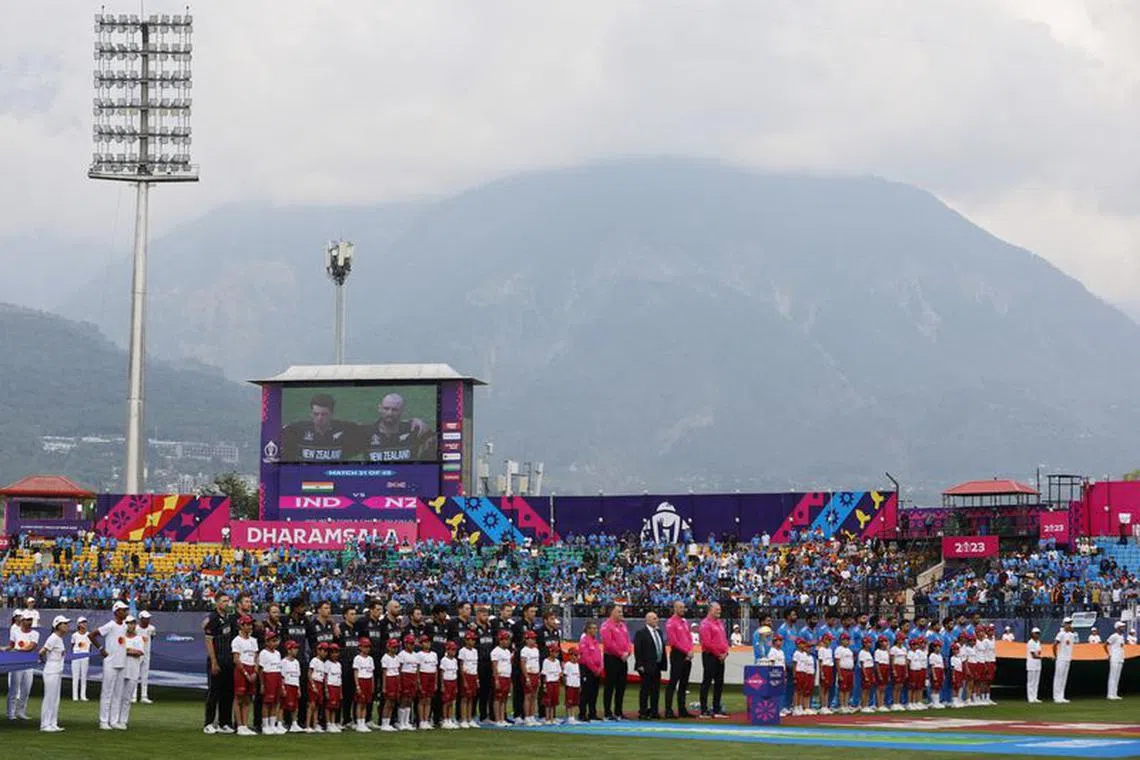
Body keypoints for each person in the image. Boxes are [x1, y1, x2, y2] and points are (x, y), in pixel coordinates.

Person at [358, 392, 435, 462]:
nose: (389, 413)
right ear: (380, 408)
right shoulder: (366, 433)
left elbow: (438, 441)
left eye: (395, 410)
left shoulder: (414, 430)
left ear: (402, 411)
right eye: (386, 408)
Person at [280, 393, 355, 462]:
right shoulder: (296, 430)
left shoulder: (345, 430)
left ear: (331, 414)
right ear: (311, 414)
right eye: (316, 414)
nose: (320, 418)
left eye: (324, 414)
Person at [92, 601, 130, 731]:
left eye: (126, 610)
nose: (125, 612)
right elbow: (92, 635)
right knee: (107, 692)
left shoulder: (124, 626)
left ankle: (114, 721)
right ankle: (103, 721)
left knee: (117, 694)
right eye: (123, 610)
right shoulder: (110, 625)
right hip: (110, 662)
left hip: (121, 662)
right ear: (116, 612)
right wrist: (101, 649)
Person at [202, 592, 235, 734]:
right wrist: (214, 662)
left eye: (228, 601)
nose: (226, 603)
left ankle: (224, 723)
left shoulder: (228, 617)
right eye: (223, 601)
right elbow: (208, 641)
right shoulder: (212, 619)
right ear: (217, 603)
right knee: (214, 693)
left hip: (228, 660)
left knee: (227, 693)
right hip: (217, 659)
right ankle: (208, 723)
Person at [5, 611, 39, 721]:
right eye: (27, 620)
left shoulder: (35, 634)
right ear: (22, 621)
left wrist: (18, 650)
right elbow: (11, 646)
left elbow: (31, 646)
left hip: (28, 664)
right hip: (17, 663)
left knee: (26, 689)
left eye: (31, 620)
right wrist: (5, 649)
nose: (29, 622)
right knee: (14, 689)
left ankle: (21, 712)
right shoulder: (15, 632)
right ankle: (10, 713)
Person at [38, 615, 70, 732]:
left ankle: (53, 723)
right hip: (51, 670)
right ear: (57, 626)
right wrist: (43, 660)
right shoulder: (53, 638)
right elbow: (42, 651)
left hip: (57, 670)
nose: (67, 626)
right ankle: (45, 724)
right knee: (49, 697)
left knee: (55, 698)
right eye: (64, 624)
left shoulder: (59, 639)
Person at [600, 604, 631, 720]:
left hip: (623, 658)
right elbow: (608, 643)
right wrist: (620, 653)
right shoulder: (606, 626)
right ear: (612, 613)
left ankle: (619, 711)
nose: (621, 613)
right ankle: (608, 712)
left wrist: (628, 652)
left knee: (621, 686)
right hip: (612, 658)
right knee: (610, 685)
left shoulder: (623, 625)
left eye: (621, 611)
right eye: (618, 611)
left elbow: (628, 640)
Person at [634, 611, 667, 720]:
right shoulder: (641, 633)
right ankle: (643, 711)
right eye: (654, 618)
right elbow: (637, 650)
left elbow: (661, 648)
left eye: (656, 618)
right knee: (645, 689)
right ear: (647, 620)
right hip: (646, 665)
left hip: (657, 665)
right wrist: (639, 664)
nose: (656, 620)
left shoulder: (659, 632)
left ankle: (654, 711)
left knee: (655, 690)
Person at [698, 602, 729, 718]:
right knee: (707, 682)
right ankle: (704, 709)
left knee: (719, 683)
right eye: (717, 610)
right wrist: (719, 654)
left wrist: (726, 652)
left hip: (721, 656)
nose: (719, 612)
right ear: (710, 610)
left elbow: (724, 640)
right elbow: (707, 643)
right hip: (710, 656)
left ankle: (716, 708)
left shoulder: (720, 623)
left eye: (720, 610)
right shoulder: (705, 624)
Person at [664, 601, 694, 719]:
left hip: (687, 654)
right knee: (673, 681)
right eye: (680, 607)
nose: (683, 609)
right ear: (675, 608)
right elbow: (673, 641)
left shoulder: (684, 622)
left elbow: (689, 637)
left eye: (684, 607)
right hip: (677, 654)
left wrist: (690, 650)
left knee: (684, 683)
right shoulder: (671, 622)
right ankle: (668, 709)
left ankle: (682, 709)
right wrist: (687, 651)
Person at [230, 615, 259, 736]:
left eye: (251, 624)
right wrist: (246, 673)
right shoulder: (237, 640)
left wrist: (255, 671)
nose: (250, 627)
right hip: (241, 670)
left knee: (248, 698)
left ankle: (245, 725)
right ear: (241, 626)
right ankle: (240, 725)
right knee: (239, 697)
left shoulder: (253, 640)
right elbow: (236, 659)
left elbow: (256, 657)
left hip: (251, 668)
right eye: (247, 624)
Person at [116, 615, 146, 730]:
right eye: (129, 623)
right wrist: (128, 651)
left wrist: (126, 650)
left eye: (133, 623)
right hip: (121, 669)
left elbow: (139, 652)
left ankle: (123, 720)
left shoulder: (138, 639)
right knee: (117, 695)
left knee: (127, 697)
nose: (131, 625)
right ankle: (115, 719)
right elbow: (117, 650)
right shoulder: (121, 637)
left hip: (133, 670)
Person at [258, 633, 285, 734]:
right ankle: (265, 725)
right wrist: (262, 684)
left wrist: (281, 684)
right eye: (272, 641)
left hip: (277, 676)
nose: (275, 643)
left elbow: (280, 669)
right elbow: (261, 670)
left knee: (275, 702)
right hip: (268, 677)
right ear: (267, 642)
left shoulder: (278, 653)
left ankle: (272, 724)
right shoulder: (263, 653)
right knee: (267, 702)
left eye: (276, 641)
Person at [578, 621, 603, 722]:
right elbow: (586, 657)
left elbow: (599, 656)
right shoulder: (584, 641)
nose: (595, 631)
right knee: (586, 692)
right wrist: (594, 669)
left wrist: (600, 667)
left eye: (596, 628)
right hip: (587, 669)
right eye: (593, 628)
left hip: (596, 670)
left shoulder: (595, 641)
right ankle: (582, 713)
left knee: (594, 692)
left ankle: (592, 713)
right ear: (588, 629)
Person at [397, 634, 420, 730]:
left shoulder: (416, 655)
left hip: (413, 676)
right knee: (403, 699)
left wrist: (417, 679)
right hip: (405, 676)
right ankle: (401, 722)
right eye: (410, 643)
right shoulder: (402, 654)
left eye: (413, 643)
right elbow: (399, 668)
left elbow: (417, 668)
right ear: (405, 644)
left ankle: (407, 721)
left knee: (410, 700)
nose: (412, 645)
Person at [457, 631, 479, 728]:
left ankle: (470, 718)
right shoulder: (462, 651)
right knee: (464, 698)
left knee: (471, 698)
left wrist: (477, 679)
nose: (472, 642)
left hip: (473, 675)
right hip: (466, 675)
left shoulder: (475, 651)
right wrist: (464, 679)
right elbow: (461, 665)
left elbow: (476, 665)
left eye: (474, 640)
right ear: (466, 640)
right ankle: (463, 719)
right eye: (470, 639)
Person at [353, 637, 375, 732]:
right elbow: (356, 672)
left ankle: (363, 722)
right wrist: (357, 685)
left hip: (368, 680)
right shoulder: (357, 658)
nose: (367, 649)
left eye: (368, 647)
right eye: (365, 646)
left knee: (366, 703)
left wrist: (373, 684)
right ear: (360, 647)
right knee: (360, 702)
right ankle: (359, 723)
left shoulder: (370, 659)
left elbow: (372, 673)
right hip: (361, 680)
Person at [306, 642, 329, 733]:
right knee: (311, 705)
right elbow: (309, 674)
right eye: (323, 650)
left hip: (320, 683)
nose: (325, 653)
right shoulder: (314, 660)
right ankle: (308, 725)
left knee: (317, 706)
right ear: (318, 650)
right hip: (314, 682)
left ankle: (315, 724)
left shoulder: (323, 663)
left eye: (326, 651)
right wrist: (312, 685)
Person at [416, 635, 438, 730]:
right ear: (421, 644)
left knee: (429, 699)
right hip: (423, 675)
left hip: (432, 676)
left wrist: (436, 682)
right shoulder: (419, 654)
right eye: (425, 642)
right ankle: (421, 721)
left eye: (428, 642)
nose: (427, 644)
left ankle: (426, 719)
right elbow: (417, 669)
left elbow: (435, 668)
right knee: (422, 699)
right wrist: (418, 681)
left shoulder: (434, 654)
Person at [134, 610, 156, 704]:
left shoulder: (151, 628)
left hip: (146, 655)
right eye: (145, 618)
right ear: (141, 619)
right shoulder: (136, 629)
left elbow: (152, 637)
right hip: (136, 655)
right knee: (134, 675)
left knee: (145, 676)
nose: (147, 620)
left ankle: (144, 696)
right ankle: (133, 696)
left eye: (148, 618)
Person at [1053, 617, 1076, 704]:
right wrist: (1056, 655)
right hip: (1061, 658)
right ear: (1064, 624)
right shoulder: (1061, 633)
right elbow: (1054, 644)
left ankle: (1061, 696)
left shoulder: (1071, 635)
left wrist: (1072, 631)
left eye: (1070, 623)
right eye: (1067, 623)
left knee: (1064, 678)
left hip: (1067, 658)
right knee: (1058, 677)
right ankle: (1056, 697)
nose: (1069, 625)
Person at [520, 630, 541, 725]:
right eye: (531, 638)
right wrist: (527, 677)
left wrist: (539, 676)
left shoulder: (536, 650)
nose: (533, 640)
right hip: (529, 673)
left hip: (536, 673)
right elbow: (523, 664)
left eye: (534, 638)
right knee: (527, 696)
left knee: (534, 696)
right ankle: (527, 716)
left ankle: (532, 715)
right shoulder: (524, 650)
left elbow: (537, 663)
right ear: (526, 640)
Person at [281, 641, 303, 732]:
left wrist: (299, 689)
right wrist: (282, 687)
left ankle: (294, 723)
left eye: (297, 648)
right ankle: (280, 722)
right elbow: (282, 676)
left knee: (295, 706)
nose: (296, 650)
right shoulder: (284, 662)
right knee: (283, 705)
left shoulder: (296, 662)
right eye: (294, 648)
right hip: (287, 684)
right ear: (289, 650)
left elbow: (298, 676)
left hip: (295, 685)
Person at [380, 638, 401, 731]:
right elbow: (384, 673)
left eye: (396, 647)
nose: (395, 649)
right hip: (389, 679)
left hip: (395, 678)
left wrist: (399, 683)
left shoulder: (397, 658)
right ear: (388, 647)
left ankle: (388, 722)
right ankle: (384, 723)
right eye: (393, 647)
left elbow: (398, 671)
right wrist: (384, 686)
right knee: (388, 702)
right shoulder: (385, 658)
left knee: (393, 702)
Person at [792, 638, 816, 716]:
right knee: (796, 691)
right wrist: (794, 676)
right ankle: (795, 707)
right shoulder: (796, 653)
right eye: (801, 644)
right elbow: (794, 665)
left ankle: (800, 706)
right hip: (798, 672)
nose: (803, 645)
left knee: (801, 690)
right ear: (798, 645)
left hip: (804, 673)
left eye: (803, 644)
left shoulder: (804, 654)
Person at [439, 640, 460, 729]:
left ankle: (450, 718)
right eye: (452, 650)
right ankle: (445, 719)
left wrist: (456, 685)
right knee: (446, 702)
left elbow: (455, 672)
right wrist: (442, 685)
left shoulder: (455, 660)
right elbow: (442, 673)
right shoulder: (444, 660)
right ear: (447, 650)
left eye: (455, 650)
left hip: (453, 681)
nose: (453, 652)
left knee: (452, 702)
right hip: (446, 681)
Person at [541, 642, 563, 725]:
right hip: (549, 682)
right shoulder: (546, 661)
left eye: (557, 652)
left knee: (554, 701)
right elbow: (544, 674)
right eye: (554, 652)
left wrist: (560, 677)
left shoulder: (557, 662)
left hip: (555, 682)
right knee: (548, 702)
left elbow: (560, 672)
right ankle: (547, 718)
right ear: (550, 652)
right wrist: (544, 685)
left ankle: (553, 717)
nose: (556, 654)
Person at [71, 617, 91, 702]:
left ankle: (83, 695)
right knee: (75, 676)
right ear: (78, 624)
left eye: (85, 622)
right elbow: (72, 645)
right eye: (82, 622)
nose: (84, 624)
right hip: (76, 655)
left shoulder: (89, 635)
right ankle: (75, 696)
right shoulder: (74, 635)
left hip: (85, 656)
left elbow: (91, 646)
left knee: (84, 676)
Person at [324, 644, 344, 733]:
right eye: (333, 653)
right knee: (329, 706)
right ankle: (328, 723)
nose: (335, 655)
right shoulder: (327, 664)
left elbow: (339, 677)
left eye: (336, 652)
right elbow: (325, 677)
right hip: (330, 686)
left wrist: (340, 691)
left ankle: (333, 723)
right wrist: (326, 689)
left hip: (337, 686)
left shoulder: (339, 664)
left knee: (335, 707)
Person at [835, 633, 855, 713]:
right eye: (845, 640)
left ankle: (846, 705)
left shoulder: (849, 650)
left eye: (848, 640)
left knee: (848, 689)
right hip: (843, 670)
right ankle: (842, 705)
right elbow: (837, 662)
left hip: (849, 671)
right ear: (841, 640)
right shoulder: (839, 649)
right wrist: (839, 674)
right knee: (842, 689)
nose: (847, 641)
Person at [1106, 621, 1126, 700]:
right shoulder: (1114, 636)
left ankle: (1115, 694)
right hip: (1114, 658)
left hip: (1120, 658)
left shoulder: (1122, 636)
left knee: (1117, 676)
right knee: (1113, 676)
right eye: (1121, 627)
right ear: (1117, 628)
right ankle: (1110, 694)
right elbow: (1105, 644)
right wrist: (1109, 654)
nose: (1123, 628)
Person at [816, 633, 836, 714]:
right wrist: (821, 672)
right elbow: (820, 661)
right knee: (822, 687)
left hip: (830, 667)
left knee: (827, 687)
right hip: (824, 667)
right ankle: (822, 706)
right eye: (828, 640)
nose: (830, 641)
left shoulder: (830, 650)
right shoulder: (821, 649)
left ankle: (826, 705)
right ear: (824, 640)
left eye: (830, 640)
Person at [563, 646, 582, 725]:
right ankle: (569, 717)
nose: (575, 657)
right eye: (574, 655)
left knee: (575, 702)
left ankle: (573, 717)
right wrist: (566, 685)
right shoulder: (568, 664)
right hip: (570, 686)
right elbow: (564, 675)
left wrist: (579, 685)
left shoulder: (578, 665)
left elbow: (578, 675)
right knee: (569, 702)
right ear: (570, 656)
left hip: (576, 685)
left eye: (577, 655)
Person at [1025, 627, 1042, 703]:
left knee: (1036, 681)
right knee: (1031, 682)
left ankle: (1035, 697)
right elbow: (1033, 655)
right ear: (1032, 634)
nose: (1037, 635)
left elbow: (1038, 652)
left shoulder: (1038, 642)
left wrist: (1040, 657)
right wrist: (1042, 657)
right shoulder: (1030, 642)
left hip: (1038, 664)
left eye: (1038, 633)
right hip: (1031, 664)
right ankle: (1030, 697)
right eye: (1036, 633)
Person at [928, 640, 945, 709]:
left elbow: (942, 665)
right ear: (934, 648)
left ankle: (937, 701)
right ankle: (934, 702)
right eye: (937, 647)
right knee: (934, 686)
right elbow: (932, 666)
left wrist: (943, 674)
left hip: (940, 670)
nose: (938, 648)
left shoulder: (940, 655)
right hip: (935, 670)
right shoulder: (932, 655)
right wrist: (934, 674)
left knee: (938, 687)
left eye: (939, 647)